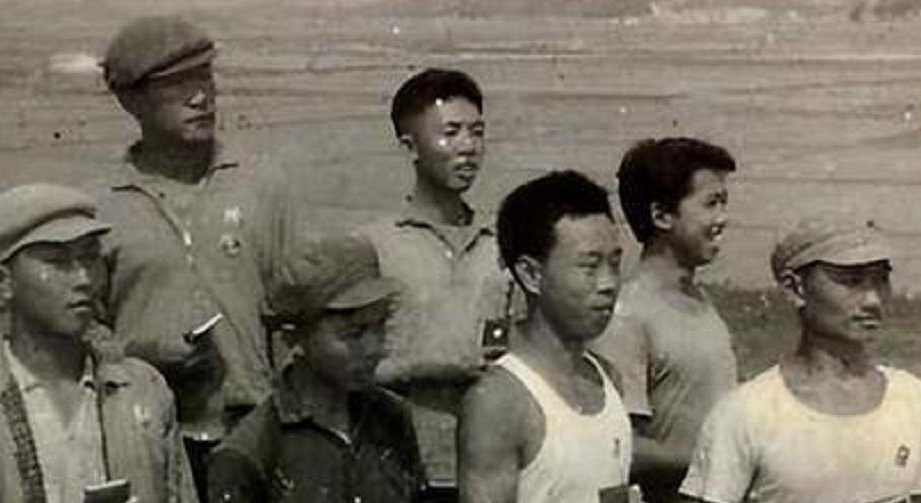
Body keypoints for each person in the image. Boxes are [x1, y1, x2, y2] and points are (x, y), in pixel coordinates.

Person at [95, 15, 295, 494]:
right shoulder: (101, 206)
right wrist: (139, 356)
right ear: (130, 100)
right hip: (147, 432)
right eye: (176, 85)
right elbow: (85, 330)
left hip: (253, 430)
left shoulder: (260, 185)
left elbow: (292, 312)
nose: (201, 97)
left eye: (205, 77)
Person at [0, 183, 196, 503]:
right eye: (57, 261)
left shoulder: (141, 389)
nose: (83, 279)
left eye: (90, 258)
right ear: (2, 281)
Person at [680, 218, 921, 503]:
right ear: (795, 288)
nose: (873, 300)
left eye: (881, 279)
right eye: (852, 281)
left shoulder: (911, 400)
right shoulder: (746, 413)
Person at [353, 68, 520, 486]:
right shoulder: (373, 246)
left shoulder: (503, 245)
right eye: (450, 133)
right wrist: (429, 367)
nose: (468, 147)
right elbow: (347, 365)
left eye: (477, 133)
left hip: (490, 467)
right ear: (409, 146)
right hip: (399, 466)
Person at [208, 233, 424, 503]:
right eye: (353, 334)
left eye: (379, 326)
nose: (374, 348)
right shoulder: (251, 452)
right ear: (297, 335)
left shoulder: (392, 420)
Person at [459, 170, 633, 502]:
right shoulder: (499, 401)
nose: (608, 284)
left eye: (614, 264)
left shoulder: (608, 379)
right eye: (589, 267)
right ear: (531, 275)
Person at [591, 137, 739, 502]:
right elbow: (617, 444)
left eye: (724, 203)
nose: (723, 219)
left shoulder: (702, 303)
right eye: (711, 204)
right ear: (661, 215)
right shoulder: (627, 315)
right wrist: (723, 457)